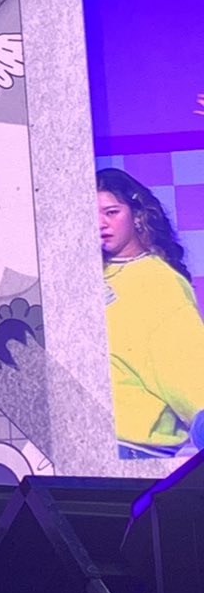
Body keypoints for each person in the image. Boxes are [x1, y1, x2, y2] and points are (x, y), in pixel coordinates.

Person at [97, 167, 204, 456]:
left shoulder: (160, 281)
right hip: (86, 441)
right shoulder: (82, 279)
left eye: (111, 212)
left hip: (133, 450)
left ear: (137, 215)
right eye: (90, 214)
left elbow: (185, 359)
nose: (100, 223)